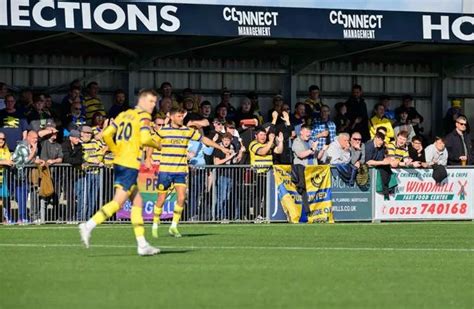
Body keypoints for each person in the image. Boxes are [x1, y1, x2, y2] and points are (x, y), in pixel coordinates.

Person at [79, 88, 162, 256]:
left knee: (137, 201)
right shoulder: (144, 116)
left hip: (120, 161)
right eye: (151, 101)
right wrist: (159, 145)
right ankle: (88, 225)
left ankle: (142, 244)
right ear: (143, 101)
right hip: (130, 163)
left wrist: (116, 149)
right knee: (118, 202)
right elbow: (146, 139)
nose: (154, 105)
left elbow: (107, 133)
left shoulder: (124, 115)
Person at [151, 107, 230, 238]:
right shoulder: (163, 131)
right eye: (178, 116)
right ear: (171, 117)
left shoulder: (187, 131)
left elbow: (204, 140)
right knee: (161, 199)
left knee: (181, 198)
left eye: (182, 116)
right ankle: (155, 224)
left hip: (181, 171)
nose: (181, 118)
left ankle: (174, 227)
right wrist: (148, 158)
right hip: (165, 170)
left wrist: (220, 147)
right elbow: (151, 142)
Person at [249, 127, 283, 221]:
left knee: (268, 195)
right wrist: (271, 141)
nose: (263, 137)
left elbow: (279, 151)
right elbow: (262, 152)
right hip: (258, 174)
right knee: (258, 195)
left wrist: (280, 142)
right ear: (256, 136)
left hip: (269, 174)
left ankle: (265, 214)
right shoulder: (253, 144)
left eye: (264, 135)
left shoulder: (268, 144)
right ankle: (256, 215)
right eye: (261, 135)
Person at [12, 131, 45, 224]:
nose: (36, 140)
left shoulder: (33, 146)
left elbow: (33, 159)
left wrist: (39, 160)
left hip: (26, 176)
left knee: (25, 197)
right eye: (34, 138)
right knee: (21, 197)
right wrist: (34, 150)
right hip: (18, 176)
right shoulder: (22, 146)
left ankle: (24, 217)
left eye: (37, 138)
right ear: (28, 137)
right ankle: (20, 218)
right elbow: (26, 161)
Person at [291, 125, 323, 216]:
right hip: (302, 171)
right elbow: (301, 155)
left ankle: (315, 212)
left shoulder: (311, 142)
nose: (308, 134)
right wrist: (312, 149)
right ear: (301, 132)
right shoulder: (296, 142)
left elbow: (317, 157)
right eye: (306, 132)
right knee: (304, 192)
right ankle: (307, 213)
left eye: (309, 132)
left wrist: (323, 150)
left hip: (313, 171)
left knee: (314, 192)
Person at [213, 132, 237, 221]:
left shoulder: (232, 147)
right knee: (222, 197)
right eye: (225, 140)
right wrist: (229, 157)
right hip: (222, 175)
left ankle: (225, 216)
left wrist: (237, 156)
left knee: (227, 197)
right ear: (222, 140)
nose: (226, 142)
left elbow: (234, 160)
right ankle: (219, 216)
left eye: (228, 140)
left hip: (230, 175)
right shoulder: (219, 148)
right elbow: (217, 162)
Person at [0, 132, 13, 223]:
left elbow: (10, 160)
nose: (2, 141)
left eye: (3, 139)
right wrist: (4, 162)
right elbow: (6, 161)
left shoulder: (6, 149)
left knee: (5, 199)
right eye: (0, 139)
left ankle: (5, 218)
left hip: (4, 179)